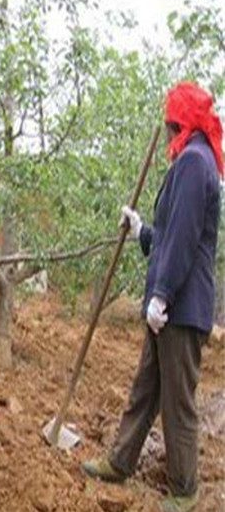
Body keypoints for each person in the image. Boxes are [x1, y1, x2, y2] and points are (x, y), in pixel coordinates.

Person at [82, 81, 223, 512]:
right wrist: (143, 229)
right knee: (146, 388)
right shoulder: (190, 161)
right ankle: (120, 460)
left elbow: (182, 241)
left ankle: (184, 489)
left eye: (168, 123)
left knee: (177, 399)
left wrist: (160, 295)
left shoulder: (195, 164)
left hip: (180, 308)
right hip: (170, 307)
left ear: (179, 121)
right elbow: (171, 234)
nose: (164, 132)